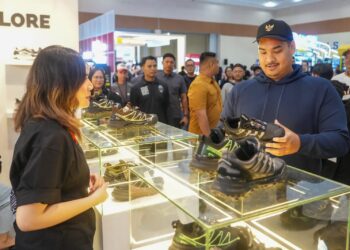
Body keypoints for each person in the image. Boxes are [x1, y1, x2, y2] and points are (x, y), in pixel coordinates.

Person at [10, 45, 108, 249]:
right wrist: (94, 199)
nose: (90, 86)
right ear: (61, 84)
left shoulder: (47, 126)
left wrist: (75, 180)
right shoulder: (50, 136)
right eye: (83, 78)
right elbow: (28, 219)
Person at [221, 19, 350, 175]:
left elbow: (340, 141)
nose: (269, 59)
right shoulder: (240, 91)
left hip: (299, 189)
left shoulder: (321, 88)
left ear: (292, 47)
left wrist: (300, 143)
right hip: (246, 186)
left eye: (277, 50)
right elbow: (223, 133)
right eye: (263, 52)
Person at [188, 52, 222, 136]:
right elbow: (201, 115)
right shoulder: (198, 85)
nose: (218, 66)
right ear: (211, 64)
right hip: (201, 137)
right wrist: (209, 138)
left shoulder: (212, 81)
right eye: (217, 63)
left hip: (213, 130)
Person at [130, 56, 169, 124]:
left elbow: (167, 106)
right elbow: (133, 110)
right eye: (149, 66)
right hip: (143, 125)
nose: (153, 68)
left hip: (161, 125)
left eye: (155, 66)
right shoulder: (136, 88)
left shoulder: (163, 85)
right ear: (143, 68)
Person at [157, 53, 189, 128]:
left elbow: (184, 98)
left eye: (171, 62)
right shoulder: (156, 77)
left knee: (175, 138)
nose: (169, 64)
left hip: (175, 115)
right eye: (167, 62)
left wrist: (185, 115)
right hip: (159, 115)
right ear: (162, 63)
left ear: (174, 64)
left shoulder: (179, 78)